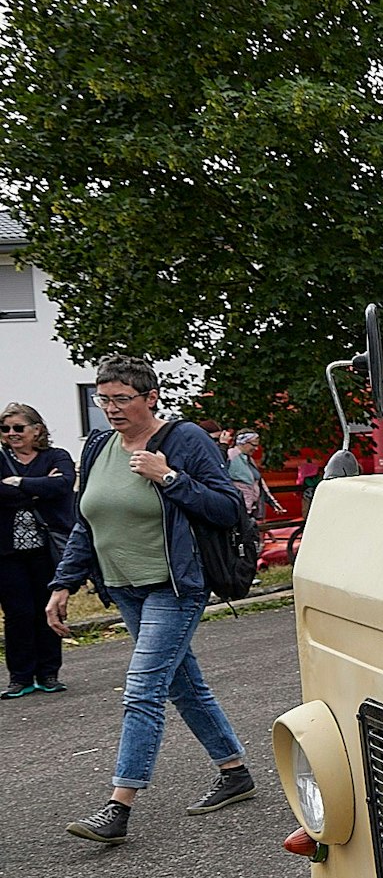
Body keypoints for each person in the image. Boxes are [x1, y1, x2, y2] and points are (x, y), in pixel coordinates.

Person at [47, 355, 255, 845]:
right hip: (123, 586)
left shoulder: (184, 441)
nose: (112, 408)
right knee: (183, 684)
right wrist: (62, 584)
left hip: (174, 586)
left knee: (143, 689)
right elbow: (87, 521)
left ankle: (118, 808)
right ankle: (235, 771)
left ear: (151, 397)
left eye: (122, 398)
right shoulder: (99, 445)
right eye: (104, 399)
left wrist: (170, 478)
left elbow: (227, 507)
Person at [0, 403, 76, 699]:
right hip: (7, 552)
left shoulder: (56, 456)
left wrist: (18, 483)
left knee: (50, 609)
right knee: (18, 613)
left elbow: (64, 485)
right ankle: (19, 676)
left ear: (37, 429)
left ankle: (48, 672)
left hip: (48, 548)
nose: (11, 434)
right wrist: (40, 487)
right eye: (5, 429)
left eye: (18, 428)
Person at [228, 430, 265, 514]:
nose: (256, 448)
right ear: (243, 442)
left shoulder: (249, 459)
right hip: (237, 508)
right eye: (253, 445)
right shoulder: (230, 456)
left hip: (249, 508)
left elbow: (259, 482)